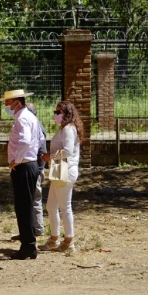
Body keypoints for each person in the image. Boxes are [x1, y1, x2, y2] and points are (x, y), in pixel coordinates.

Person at [0, 89, 44, 260]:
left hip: (24, 166)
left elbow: (25, 141)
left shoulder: (23, 118)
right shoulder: (30, 117)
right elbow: (39, 140)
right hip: (30, 164)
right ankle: (29, 244)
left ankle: (28, 246)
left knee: (23, 207)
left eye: (7, 102)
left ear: (17, 102)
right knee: (26, 206)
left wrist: (17, 159)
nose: (6, 105)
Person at [39, 101, 83, 253]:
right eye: (55, 112)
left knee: (65, 207)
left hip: (65, 169)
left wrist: (49, 156)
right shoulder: (65, 128)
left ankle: (69, 241)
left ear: (67, 114)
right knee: (51, 206)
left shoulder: (69, 129)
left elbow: (68, 151)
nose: (56, 115)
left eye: (59, 113)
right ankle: (53, 238)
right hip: (59, 169)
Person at [11, 102, 47, 240]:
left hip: (33, 167)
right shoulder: (33, 123)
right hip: (33, 167)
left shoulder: (31, 123)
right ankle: (30, 230)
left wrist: (38, 169)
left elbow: (41, 148)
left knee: (34, 200)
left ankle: (37, 229)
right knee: (29, 201)